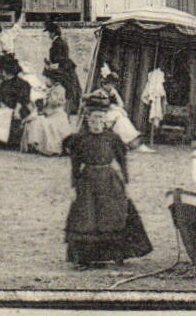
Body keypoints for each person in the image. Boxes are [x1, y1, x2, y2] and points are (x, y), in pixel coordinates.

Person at [63, 93, 153, 269]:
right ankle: (83, 259)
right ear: (87, 118)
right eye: (93, 118)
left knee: (114, 216)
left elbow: (122, 161)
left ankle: (116, 255)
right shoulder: (79, 139)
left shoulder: (112, 139)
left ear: (105, 119)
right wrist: (73, 187)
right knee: (87, 218)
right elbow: (75, 165)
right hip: (87, 181)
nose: (97, 121)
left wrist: (126, 184)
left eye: (100, 117)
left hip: (110, 181)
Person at [43, 21, 81, 115]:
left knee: (68, 92)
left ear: (52, 33)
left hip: (63, 70)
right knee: (70, 91)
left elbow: (60, 59)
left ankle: (65, 113)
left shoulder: (57, 43)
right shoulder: (61, 41)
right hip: (66, 68)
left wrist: (51, 66)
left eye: (49, 33)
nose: (48, 35)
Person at [0, 12, 26, 82]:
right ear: (2, 28)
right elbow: (18, 25)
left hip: (3, 58)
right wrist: (22, 15)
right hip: (9, 57)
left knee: (2, 79)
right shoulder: (9, 34)